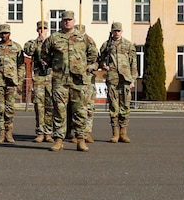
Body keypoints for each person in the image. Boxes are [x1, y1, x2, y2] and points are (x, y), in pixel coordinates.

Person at [41, 10, 98, 151]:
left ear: (74, 21)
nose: (67, 22)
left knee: (80, 110)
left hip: (78, 80)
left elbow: (93, 55)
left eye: (70, 19)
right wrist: (54, 65)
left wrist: (85, 67)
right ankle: (59, 140)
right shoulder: (54, 38)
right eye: (65, 19)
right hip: (60, 80)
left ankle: (80, 139)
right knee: (59, 110)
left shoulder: (84, 38)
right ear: (62, 21)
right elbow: (44, 55)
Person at [98, 21, 137, 142]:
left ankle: (123, 132)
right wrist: (103, 65)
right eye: (115, 31)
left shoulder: (128, 45)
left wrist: (133, 79)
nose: (117, 33)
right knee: (114, 106)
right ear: (112, 31)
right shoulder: (106, 45)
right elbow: (100, 59)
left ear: (121, 31)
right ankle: (115, 132)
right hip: (112, 78)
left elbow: (133, 63)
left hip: (125, 79)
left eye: (118, 31)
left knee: (125, 106)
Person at [0, 23, 22, 142]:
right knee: (0, 108)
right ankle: (1, 132)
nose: (4, 35)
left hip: (12, 81)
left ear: (9, 34)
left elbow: (21, 65)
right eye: (2, 33)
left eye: (6, 33)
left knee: (10, 108)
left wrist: (20, 81)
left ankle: (9, 132)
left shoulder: (16, 47)